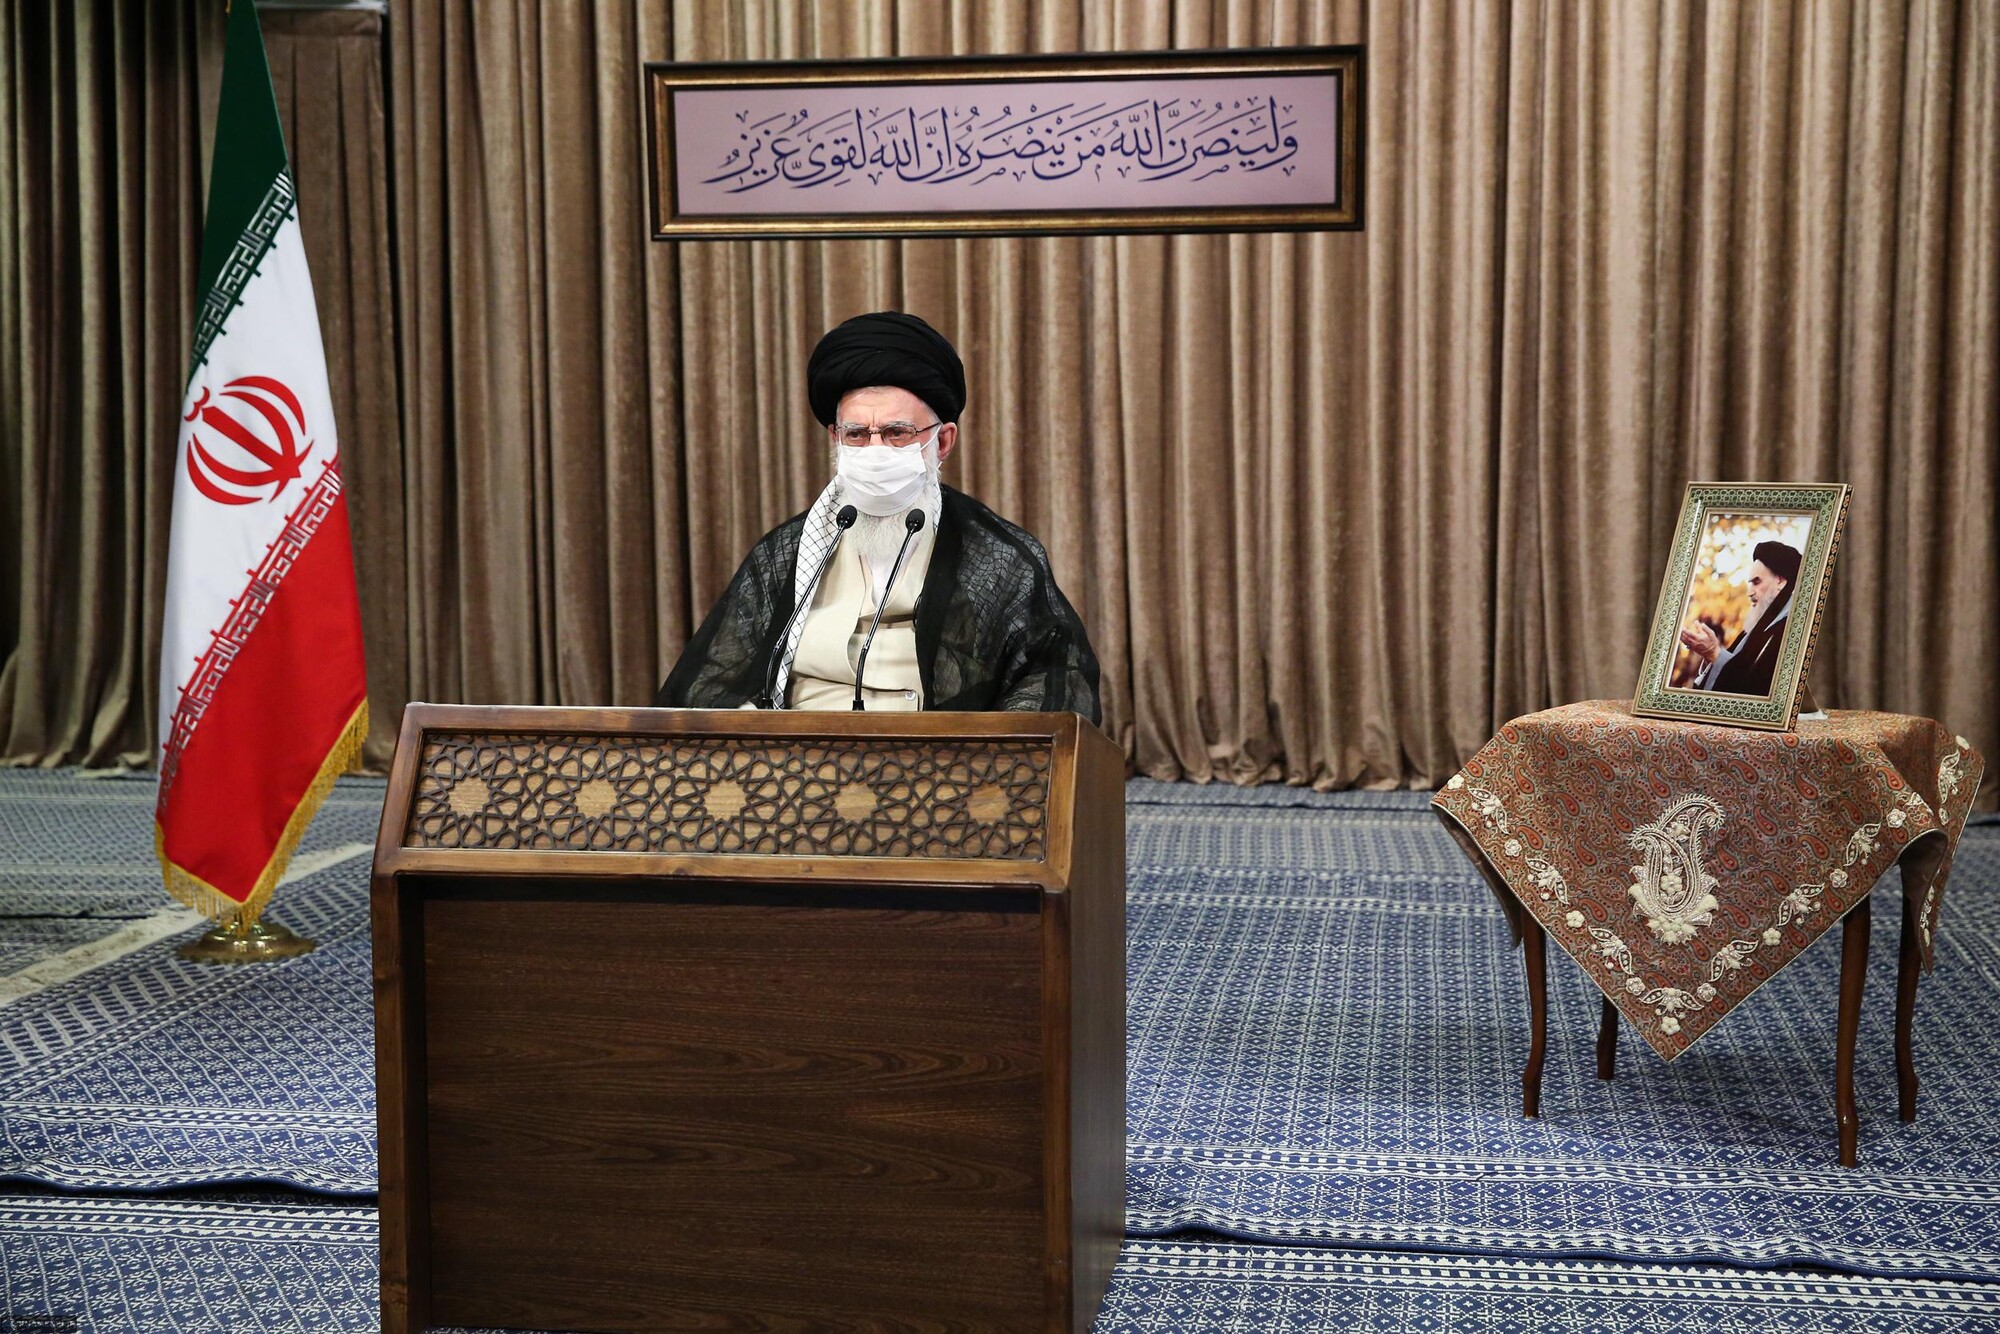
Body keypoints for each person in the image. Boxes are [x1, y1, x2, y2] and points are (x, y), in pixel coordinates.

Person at [658, 311, 1100, 722]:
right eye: (856, 434)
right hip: (795, 759)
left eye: (896, 433)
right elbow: (710, 677)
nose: (875, 450)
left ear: (942, 441)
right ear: (835, 438)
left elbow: (1055, 675)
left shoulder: (995, 556)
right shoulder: (787, 552)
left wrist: (992, 748)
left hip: (931, 760)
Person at [1679, 540, 1802, 696]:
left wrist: (1714, 653)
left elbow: (1757, 690)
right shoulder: (1753, 630)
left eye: (1757, 582)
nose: (1750, 592)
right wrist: (1709, 655)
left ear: (1780, 582)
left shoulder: (1791, 631)